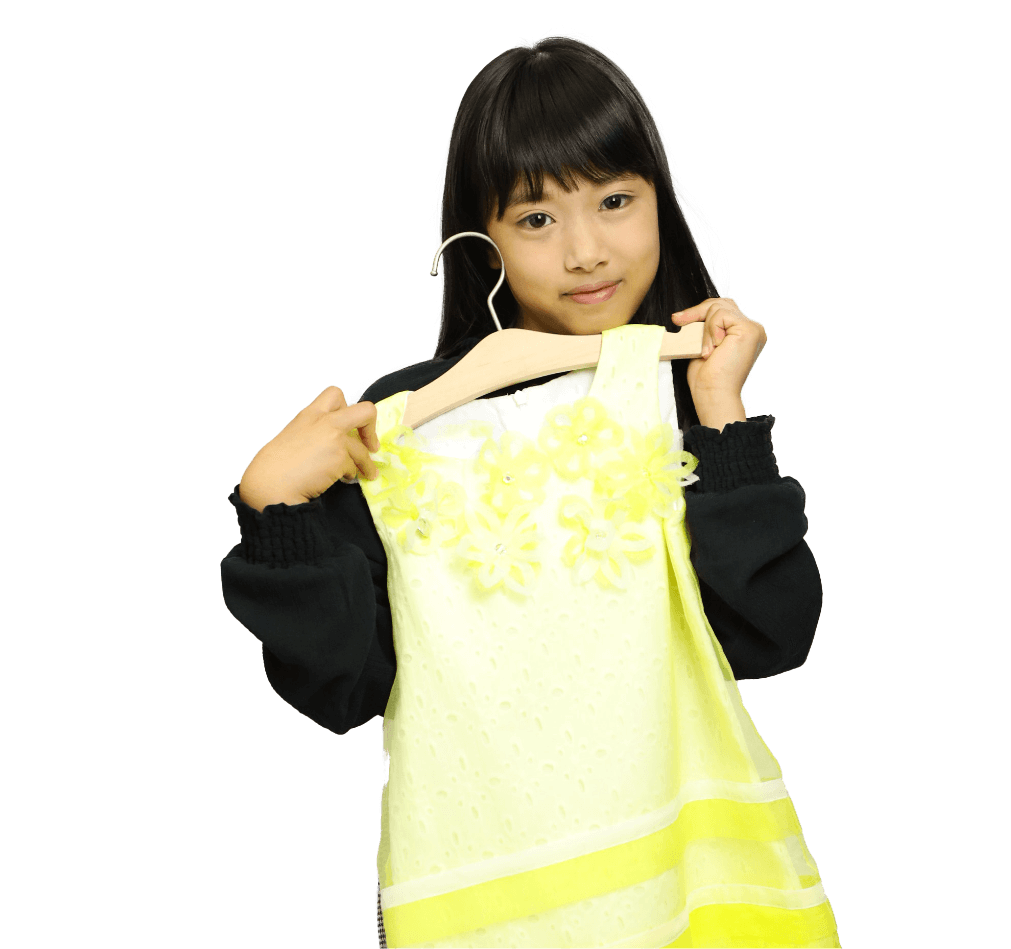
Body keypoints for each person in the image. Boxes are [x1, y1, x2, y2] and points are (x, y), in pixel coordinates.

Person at [221, 33, 839, 949]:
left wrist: (722, 417)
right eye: (537, 218)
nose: (586, 252)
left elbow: (773, 637)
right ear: (482, 241)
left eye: (616, 200)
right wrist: (275, 508)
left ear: (662, 201)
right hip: (500, 915)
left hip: (701, 891)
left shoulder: (680, 393)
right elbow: (343, 690)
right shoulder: (402, 431)